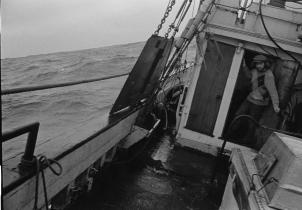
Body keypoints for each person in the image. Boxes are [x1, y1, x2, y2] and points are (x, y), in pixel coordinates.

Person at [232, 54, 280, 145]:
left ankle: (246, 142)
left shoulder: (269, 75)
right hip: (249, 99)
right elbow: (249, 76)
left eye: (260, 64)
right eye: (257, 64)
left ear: (265, 64)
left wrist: (275, 105)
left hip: (259, 104)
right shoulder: (254, 71)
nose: (258, 65)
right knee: (238, 115)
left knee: (252, 123)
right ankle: (230, 135)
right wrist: (244, 66)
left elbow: (273, 91)